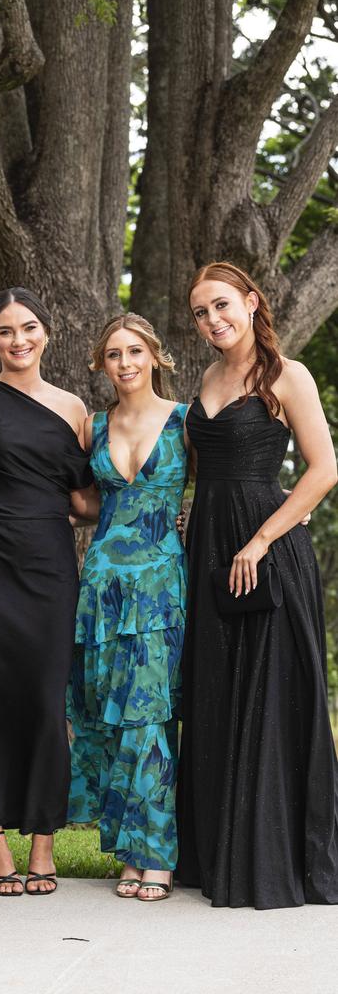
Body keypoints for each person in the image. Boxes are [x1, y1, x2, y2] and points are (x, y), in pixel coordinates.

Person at [177, 261, 338, 909]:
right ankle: (220, 852)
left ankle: (272, 859)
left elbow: (324, 470)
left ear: (250, 302)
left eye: (221, 306)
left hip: (265, 549)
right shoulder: (207, 377)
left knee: (269, 694)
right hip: (211, 547)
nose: (212, 320)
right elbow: (210, 465)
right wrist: (195, 511)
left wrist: (262, 539)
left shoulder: (285, 375)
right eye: (200, 312)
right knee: (218, 688)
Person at [0, 287, 93, 895]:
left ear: (47, 333)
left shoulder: (75, 407)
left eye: (29, 328)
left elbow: (84, 502)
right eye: (5, 331)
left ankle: (45, 843)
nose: (19, 340)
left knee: (44, 700)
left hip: (50, 568)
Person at [68, 313, 188, 902]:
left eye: (135, 351)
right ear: (101, 363)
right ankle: (127, 849)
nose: (125, 363)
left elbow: (221, 485)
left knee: (149, 713)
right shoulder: (94, 425)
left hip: (161, 588)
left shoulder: (186, 420)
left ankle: (157, 853)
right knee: (109, 716)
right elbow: (89, 505)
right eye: (113, 354)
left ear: (156, 356)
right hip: (103, 587)